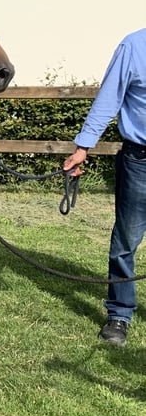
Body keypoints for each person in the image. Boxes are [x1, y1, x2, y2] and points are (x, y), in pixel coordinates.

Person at [64, 27, 146, 347]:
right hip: (139, 160)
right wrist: (83, 147)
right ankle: (120, 313)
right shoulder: (134, 46)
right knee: (126, 240)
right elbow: (108, 100)